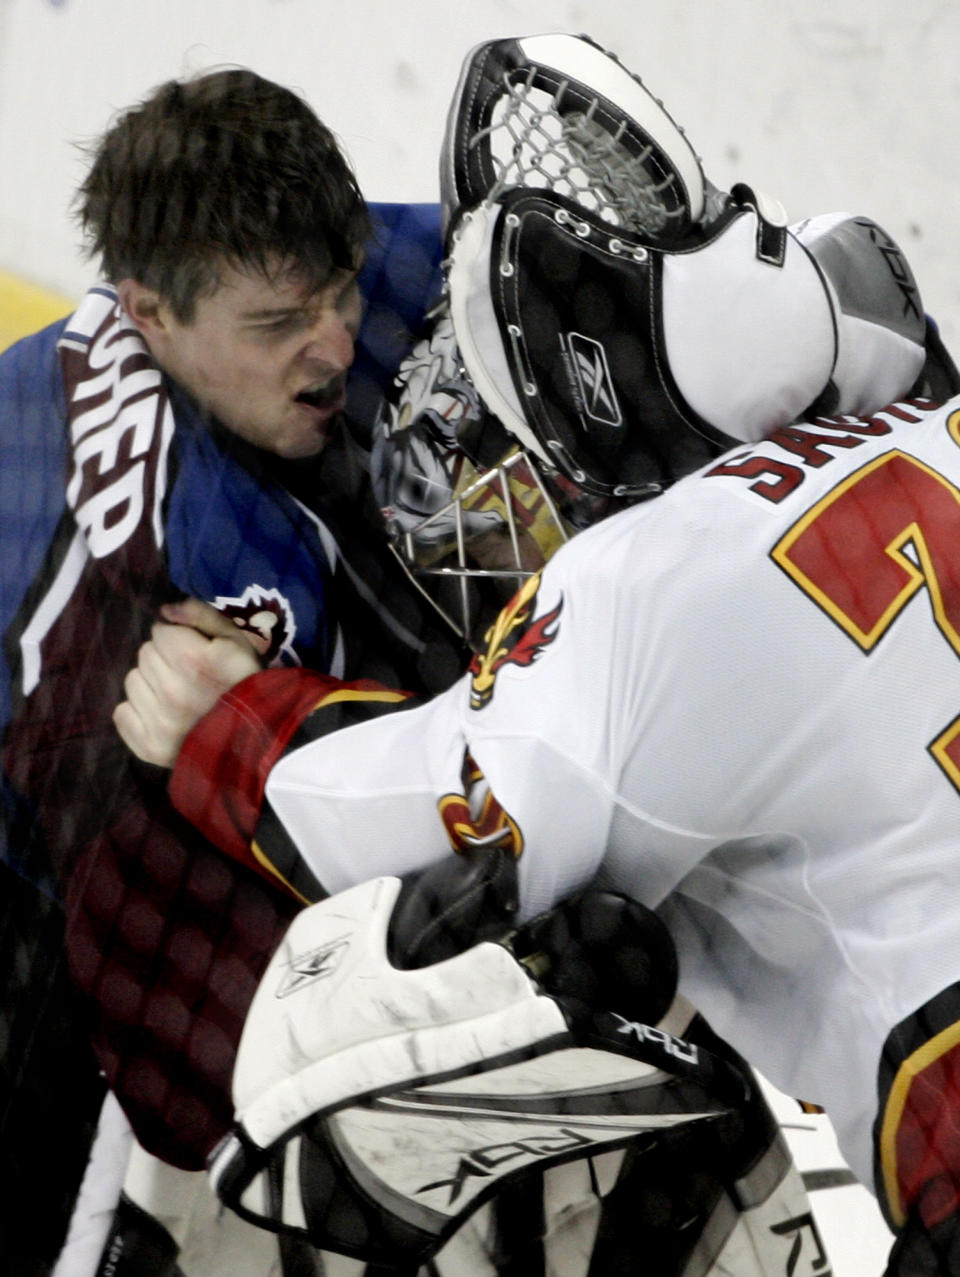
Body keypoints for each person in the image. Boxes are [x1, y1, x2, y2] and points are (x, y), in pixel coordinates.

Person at [0, 66, 463, 1275]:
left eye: (338, 289)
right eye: (277, 325)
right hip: (32, 872)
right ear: (148, 312)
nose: (336, 341)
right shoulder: (163, 564)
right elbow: (184, 994)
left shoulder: (372, 270)